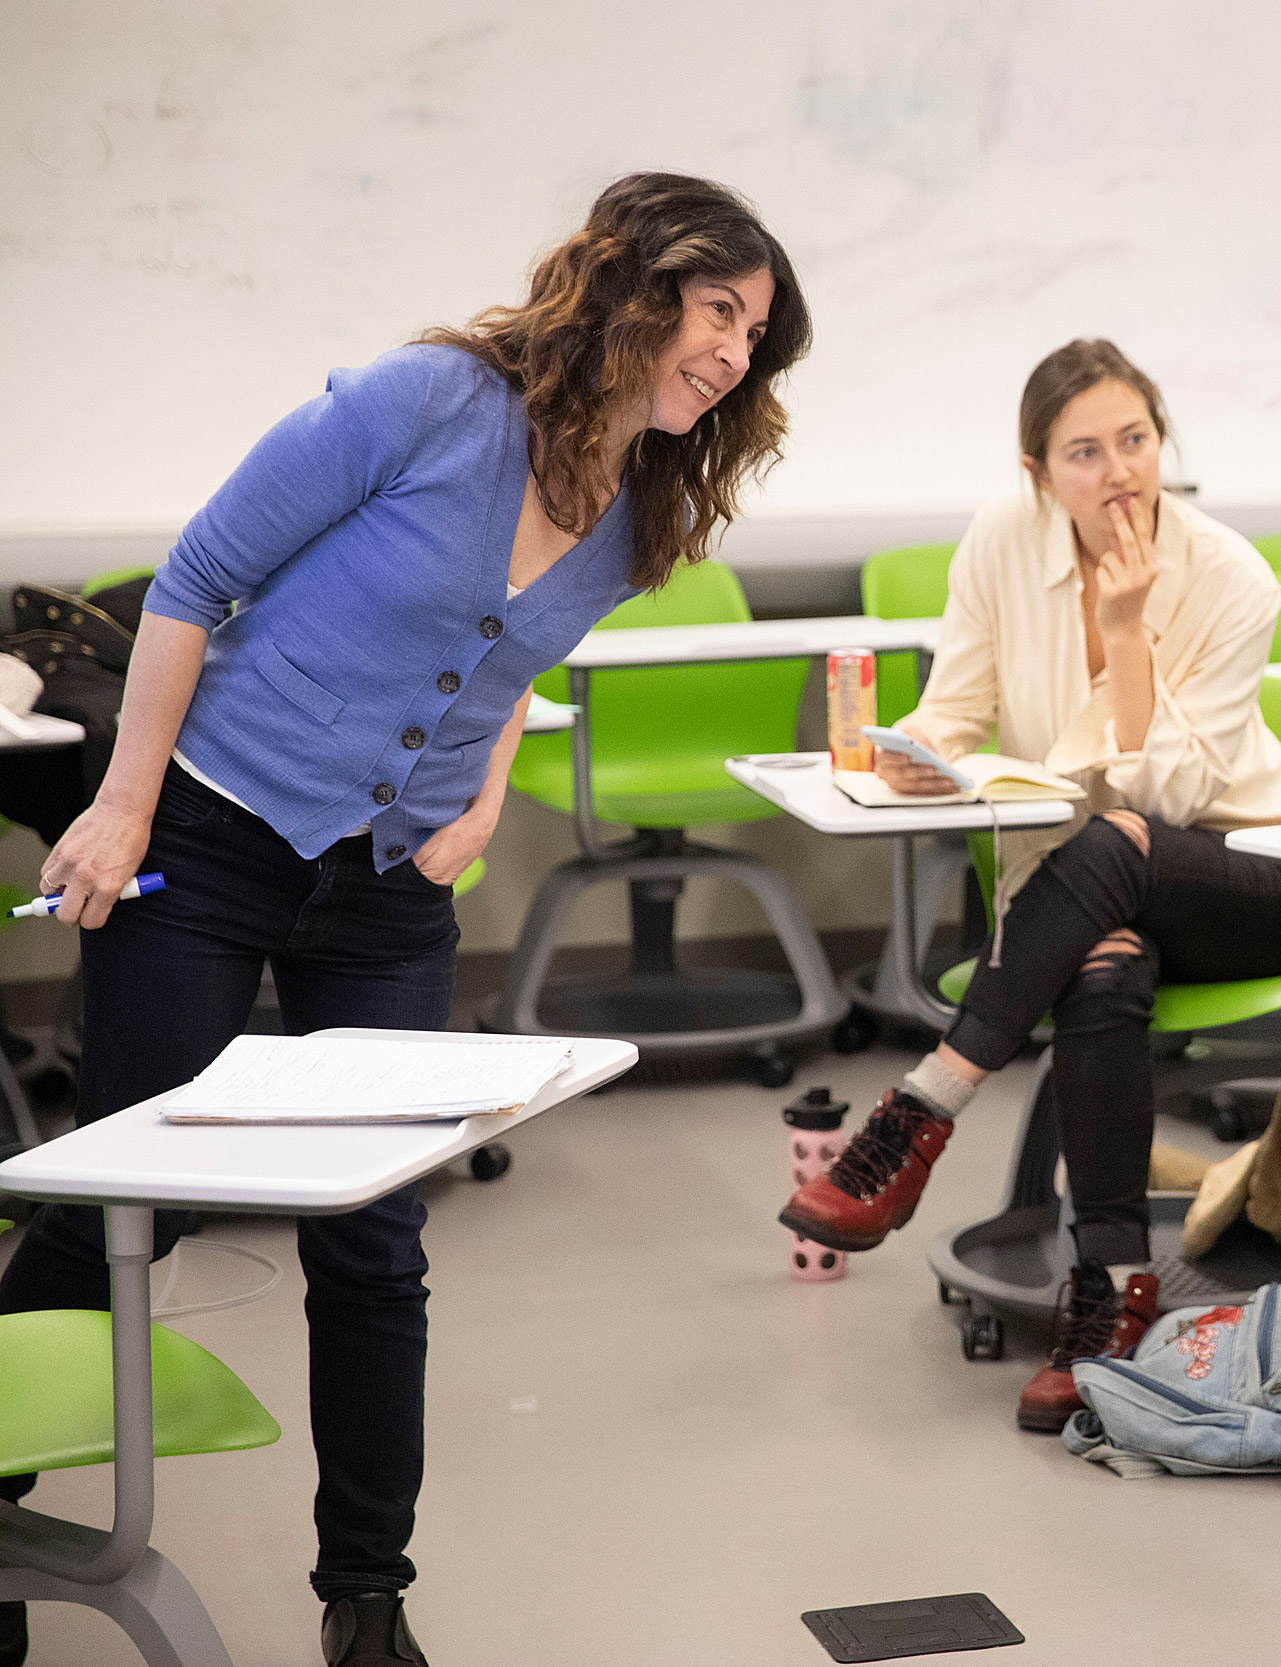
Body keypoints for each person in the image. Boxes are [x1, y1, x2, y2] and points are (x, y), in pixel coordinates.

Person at [0, 173, 809, 1667]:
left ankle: (367, 1593)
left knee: (376, 1239)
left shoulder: (646, 500)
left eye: (757, 335)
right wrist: (119, 805)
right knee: (127, 1195)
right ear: (636, 287)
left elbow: (501, 665)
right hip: (214, 826)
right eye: (720, 313)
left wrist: (485, 798)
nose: (735, 356)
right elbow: (194, 579)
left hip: (383, 890)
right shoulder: (430, 401)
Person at [778, 339, 1281, 1434]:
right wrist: (911, 751)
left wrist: (1125, 636)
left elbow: (1165, 790)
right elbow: (957, 706)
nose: (1118, 471)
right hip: (1088, 897)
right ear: (1036, 471)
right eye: (1084, 451)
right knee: (1105, 969)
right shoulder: (998, 542)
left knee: (1120, 836)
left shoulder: (1229, 577)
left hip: (1245, 875)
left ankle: (924, 1106)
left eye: (1135, 440)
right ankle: (1108, 1298)